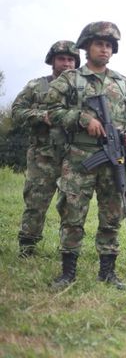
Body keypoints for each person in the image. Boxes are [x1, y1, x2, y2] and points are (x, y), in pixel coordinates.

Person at [45, 21, 126, 289]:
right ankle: (67, 273)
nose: (105, 49)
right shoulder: (70, 80)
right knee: (72, 214)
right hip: (79, 157)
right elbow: (51, 112)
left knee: (112, 215)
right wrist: (82, 118)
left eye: (109, 45)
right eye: (100, 44)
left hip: (114, 159)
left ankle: (108, 272)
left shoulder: (121, 83)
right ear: (87, 46)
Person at [11, 41, 80, 258]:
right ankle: (27, 247)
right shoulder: (37, 86)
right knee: (36, 202)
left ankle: (68, 250)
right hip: (43, 156)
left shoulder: (81, 90)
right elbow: (17, 111)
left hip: (73, 156)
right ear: (52, 61)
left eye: (71, 60)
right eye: (62, 59)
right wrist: (42, 116)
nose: (67, 64)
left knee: (72, 205)